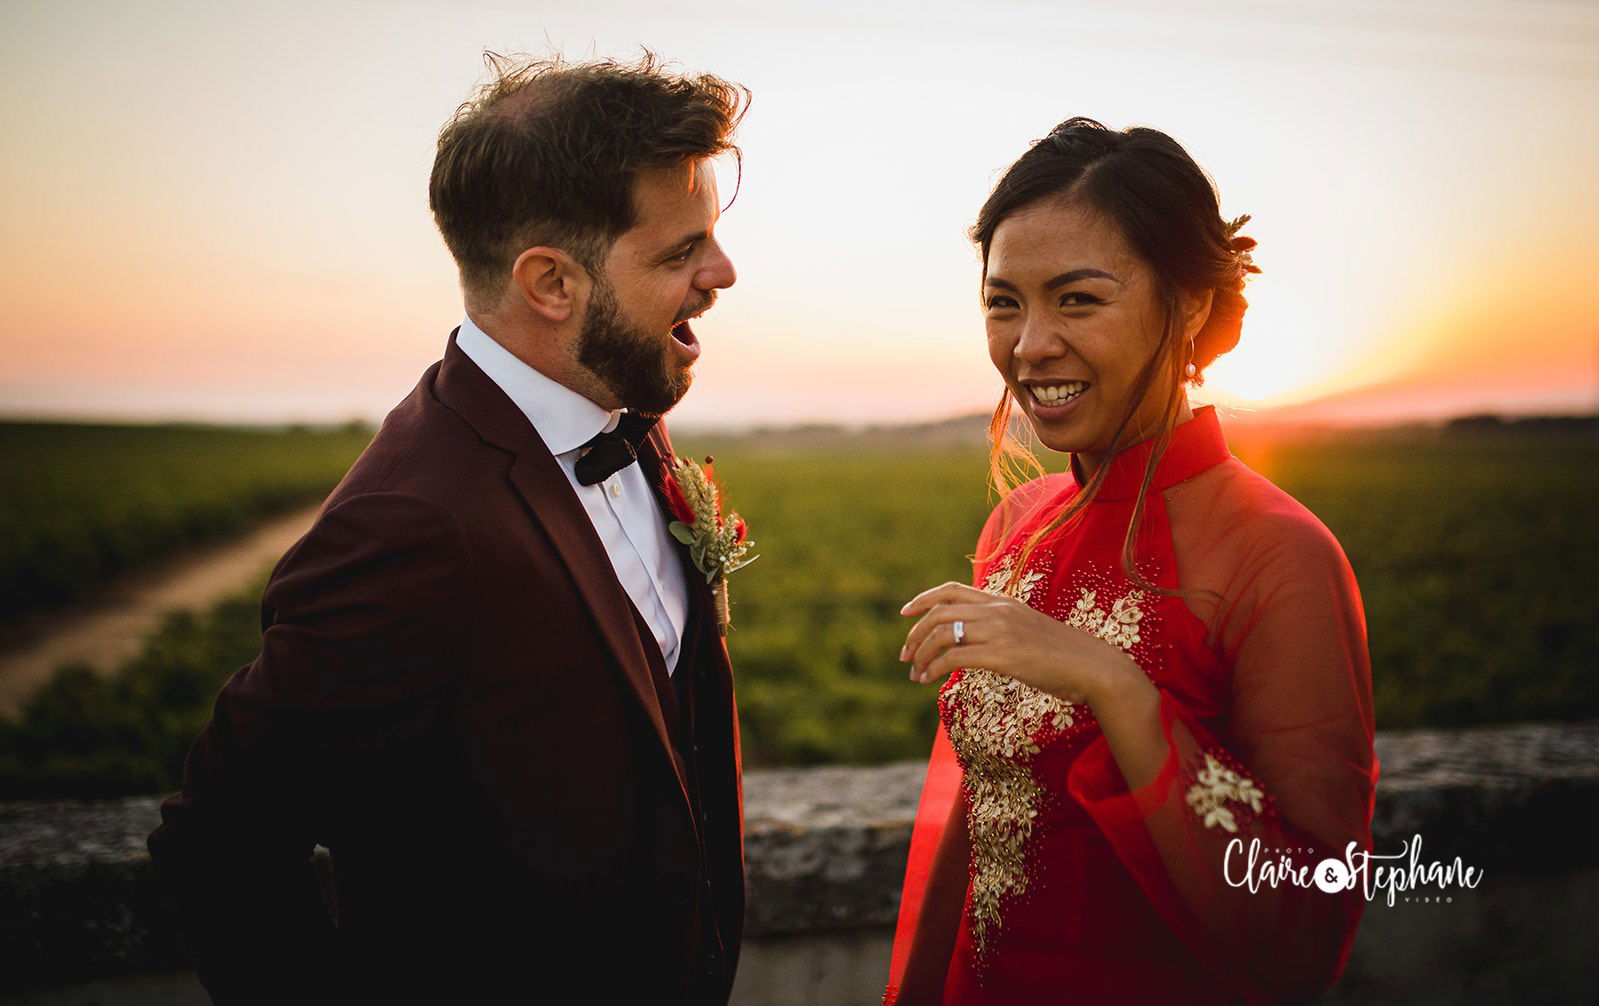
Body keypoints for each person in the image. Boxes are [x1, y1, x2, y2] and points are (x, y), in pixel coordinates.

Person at [146, 53, 750, 1005]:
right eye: (681, 251)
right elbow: (222, 843)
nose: (722, 272)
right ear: (551, 283)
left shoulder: (626, 416)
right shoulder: (413, 525)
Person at [883, 118, 1379, 1005]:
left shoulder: (1279, 555)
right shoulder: (1018, 524)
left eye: (1077, 300)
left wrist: (1117, 689)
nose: (1030, 345)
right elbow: (978, 822)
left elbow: (1305, 923)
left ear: (1186, 304)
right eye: (1004, 303)